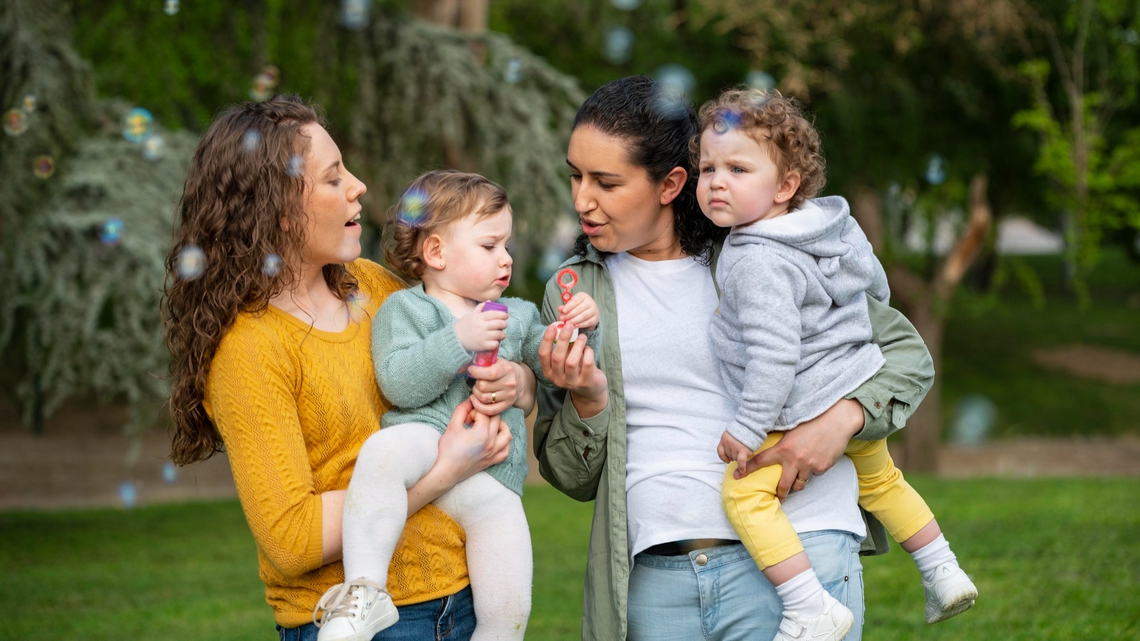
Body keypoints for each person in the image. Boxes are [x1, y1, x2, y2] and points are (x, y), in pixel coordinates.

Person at [533, 76, 936, 641]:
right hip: (657, 579)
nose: (582, 200)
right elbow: (572, 477)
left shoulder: (765, 251)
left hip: (802, 552)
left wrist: (839, 422)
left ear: (671, 183)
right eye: (575, 176)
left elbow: (905, 356)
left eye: (606, 181)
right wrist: (587, 397)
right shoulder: (575, 294)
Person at [163, 96, 524, 641]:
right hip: (359, 627)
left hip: (463, 600)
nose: (358, 186)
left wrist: (512, 383)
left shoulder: (374, 286)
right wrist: (445, 472)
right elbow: (292, 539)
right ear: (279, 208)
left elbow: (457, 375)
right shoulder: (250, 350)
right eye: (334, 179)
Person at [694, 89, 977, 640]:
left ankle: (808, 607)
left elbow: (774, 357)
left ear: (785, 186)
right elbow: (876, 287)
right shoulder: (830, 225)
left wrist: (747, 429)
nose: (716, 181)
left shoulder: (754, 257)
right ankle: (943, 569)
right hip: (854, 384)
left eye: (737, 168)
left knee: (742, 495)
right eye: (707, 167)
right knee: (883, 481)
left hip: (799, 405)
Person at [313, 170, 599, 641]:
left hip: (493, 478)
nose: (505, 259)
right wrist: (457, 340)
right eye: (490, 246)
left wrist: (575, 329)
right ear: (436, 252)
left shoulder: (519, 314)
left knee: (509, 609)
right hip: (426, 440)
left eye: (506, 246)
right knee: (381, 453)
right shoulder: (404, 311)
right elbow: (399, 383)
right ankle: (363, 593)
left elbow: (552, 370)